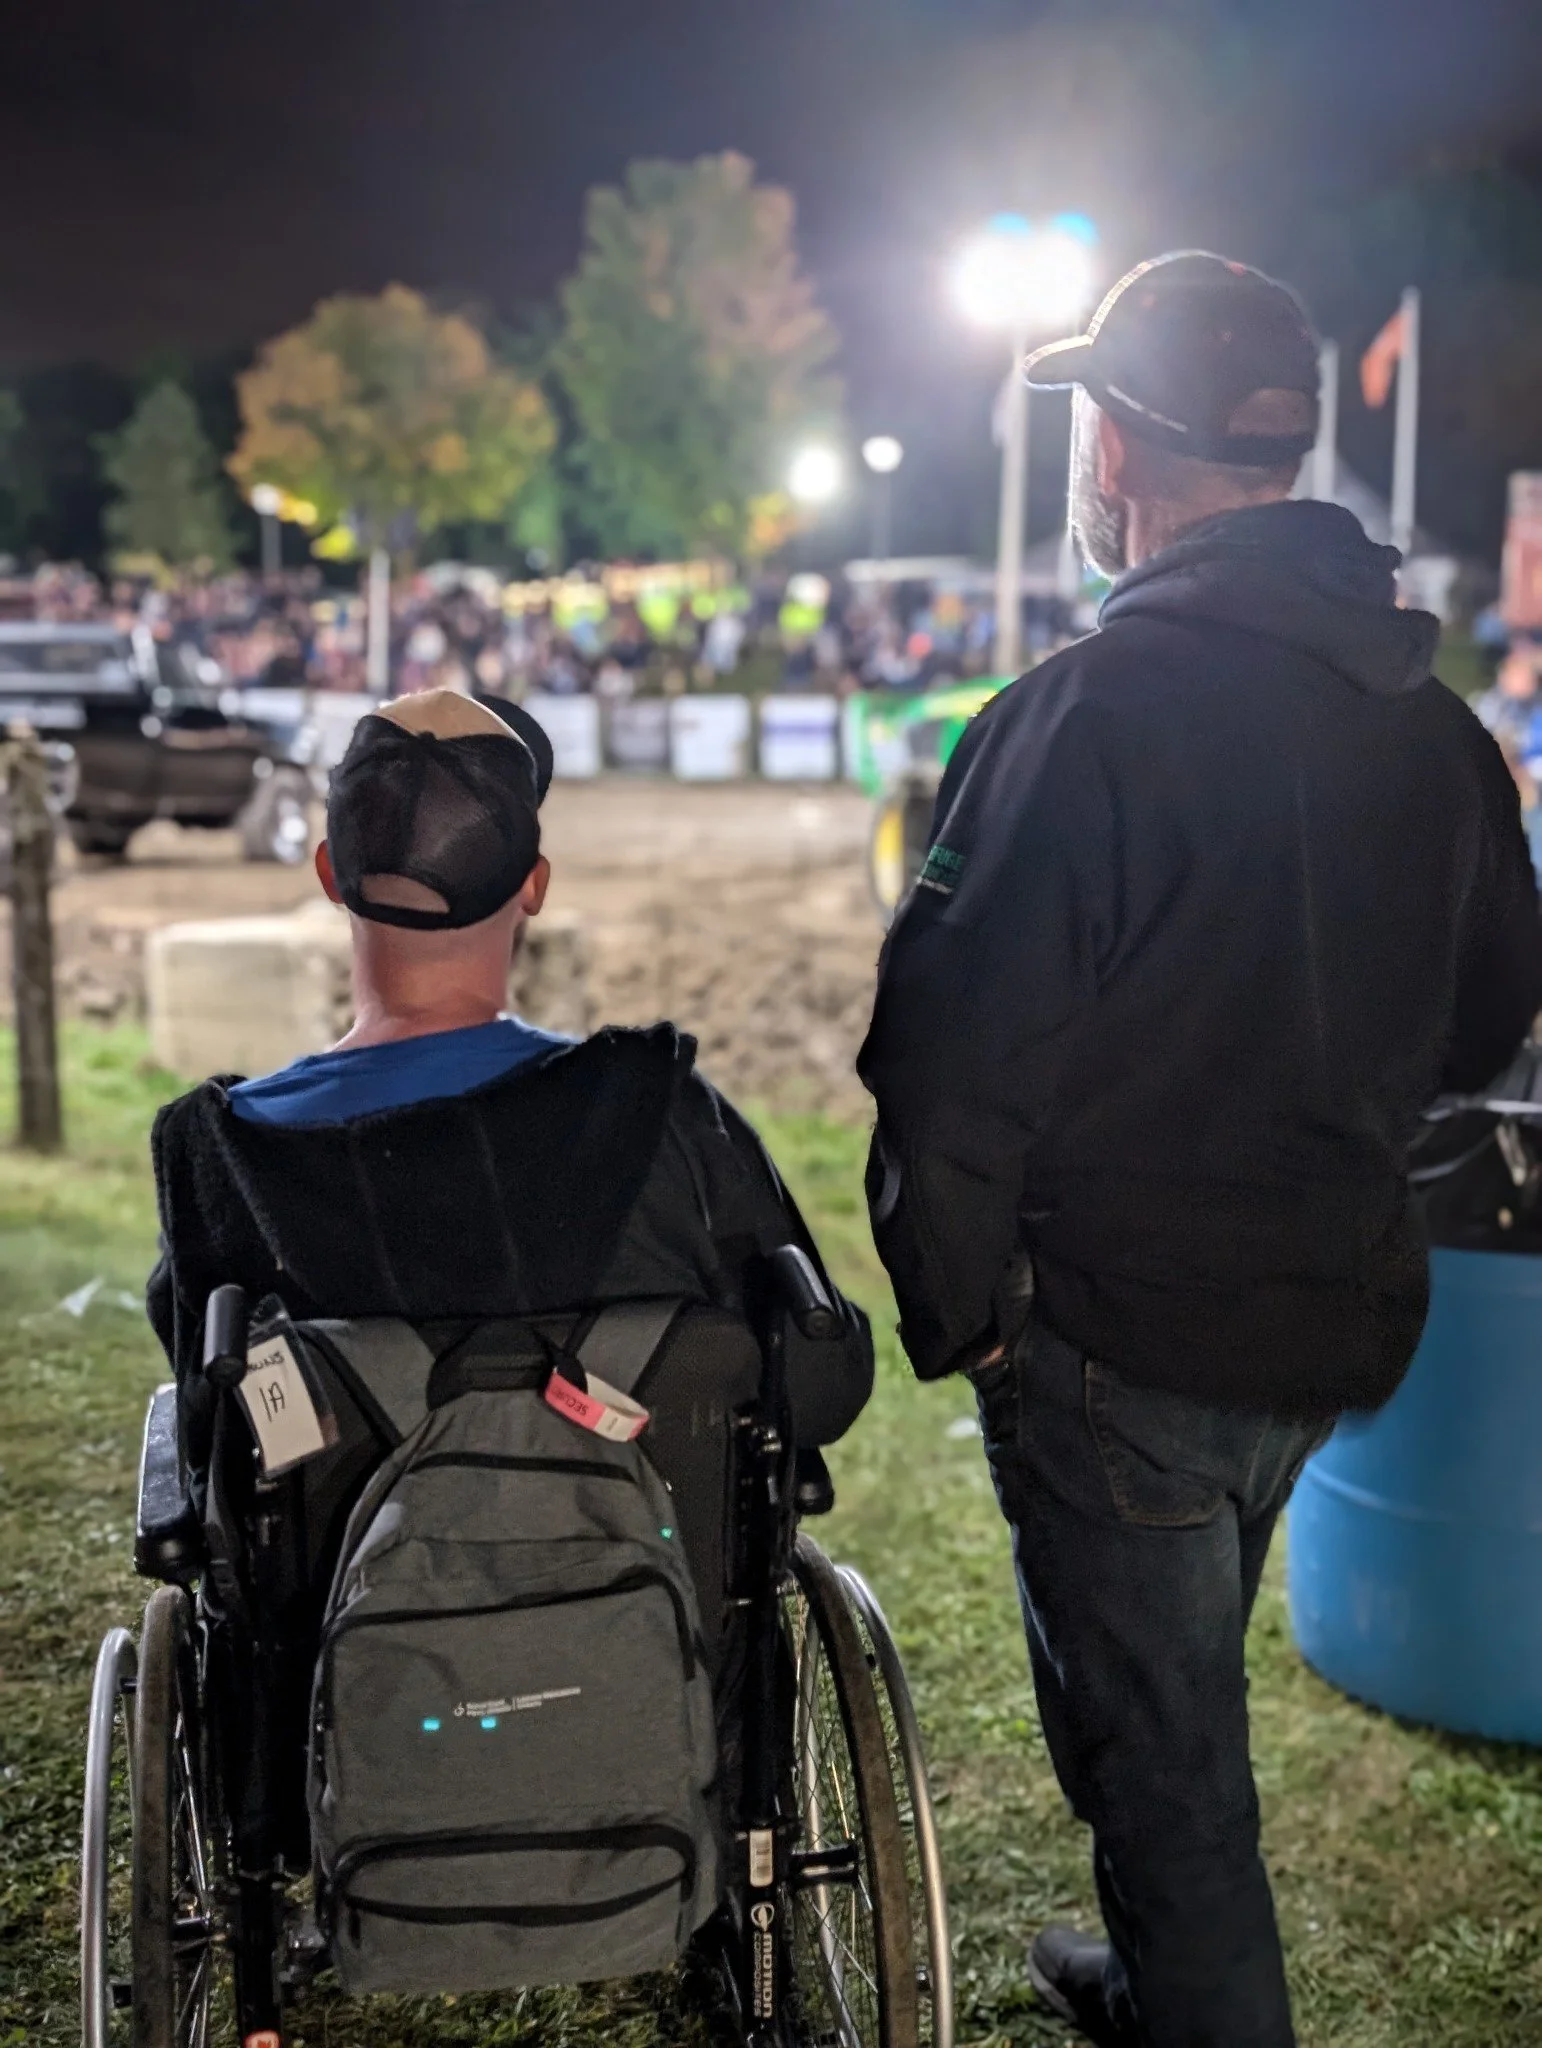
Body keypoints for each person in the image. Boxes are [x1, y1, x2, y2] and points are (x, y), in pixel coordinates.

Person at [858, 253, 1542, 2048]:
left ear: (1116, 448)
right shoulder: (1438, 732)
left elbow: (944, 1067)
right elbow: (1487, 1029)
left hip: (1126, 1343)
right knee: (1170, 1699)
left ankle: (1196, 1989)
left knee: (1164, 1773)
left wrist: (969, 1321)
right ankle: (1158, 1974)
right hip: (1323, 1323)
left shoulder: (1073, 720)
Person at [149, 684, 872, 1493]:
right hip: (649, 1568)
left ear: (330, 874)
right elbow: (822, 1383)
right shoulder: (656, 1110)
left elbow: (208, 1432)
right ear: (534, 885)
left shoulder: (219, 1154)